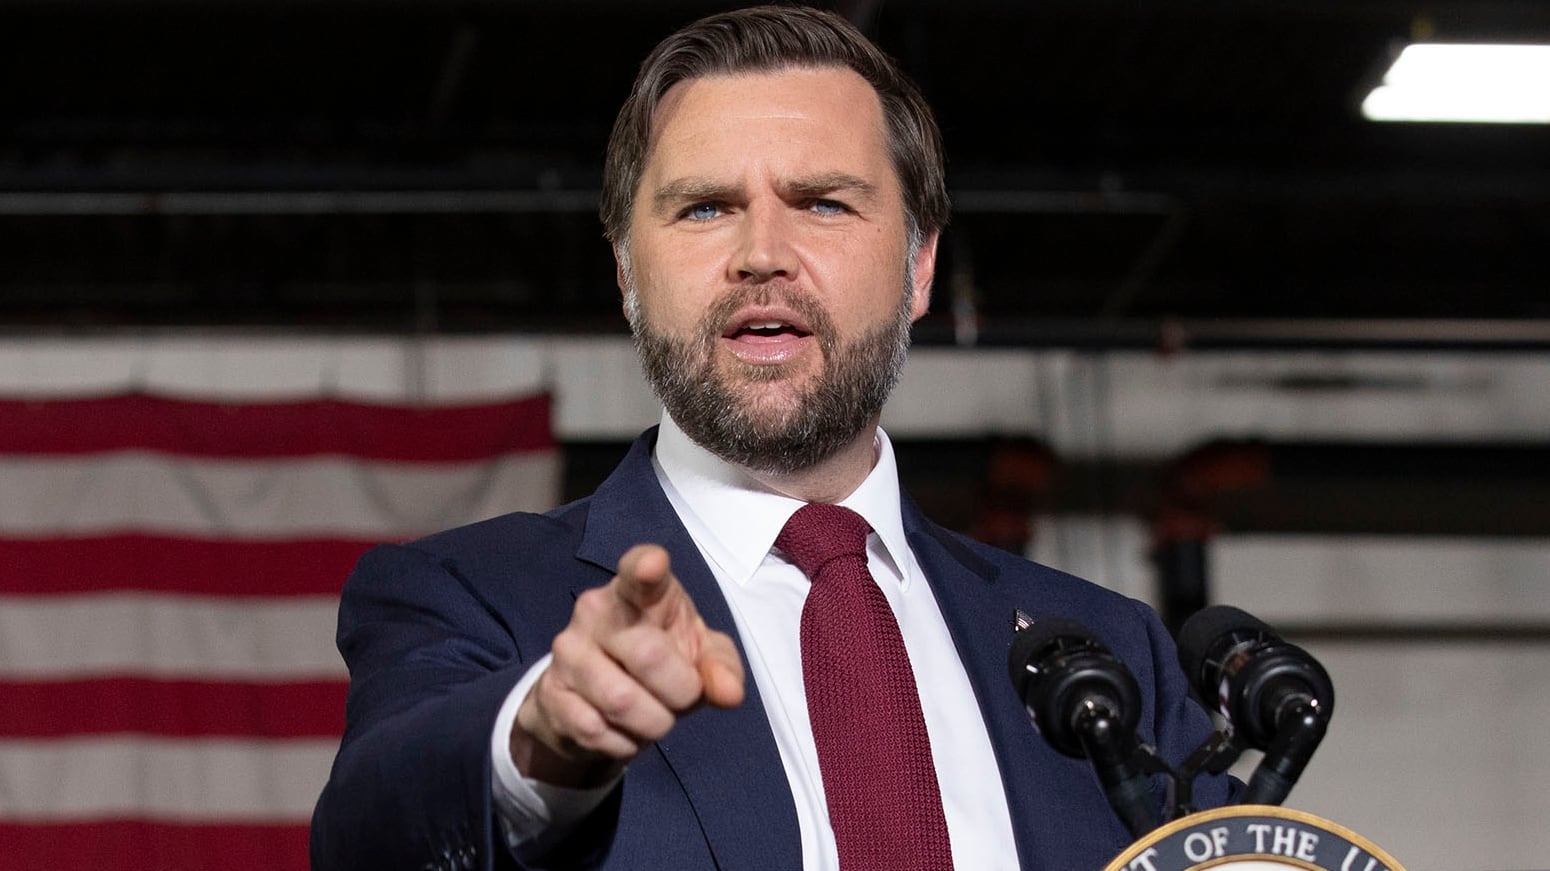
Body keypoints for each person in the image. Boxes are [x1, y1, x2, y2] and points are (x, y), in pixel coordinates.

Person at [310, 6, 1234, 871]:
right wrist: (545, 734)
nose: (762, 251)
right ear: (628, 272)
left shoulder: (1112, 652)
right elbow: (374, 833)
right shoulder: (474, 598)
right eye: (705, 206)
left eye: (825, 202)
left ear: (919, 266)